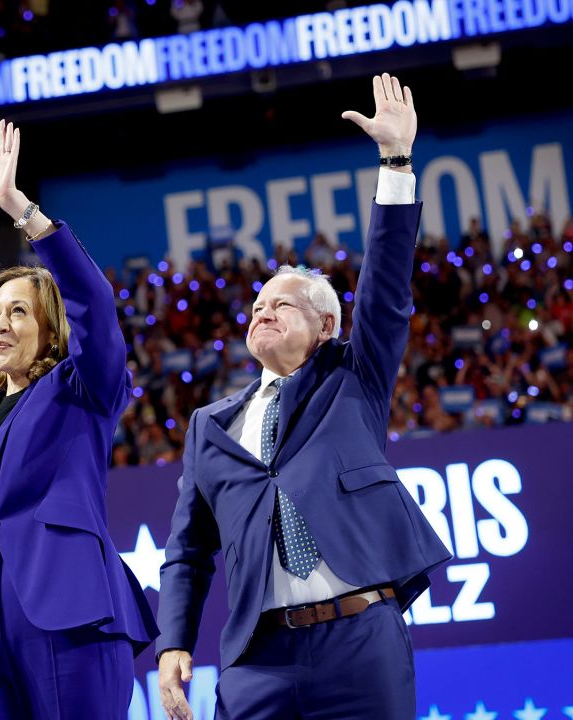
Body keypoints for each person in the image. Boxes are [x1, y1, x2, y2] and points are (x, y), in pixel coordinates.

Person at [155, 75, 452, 720]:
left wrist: (395, 163)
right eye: (257, 306)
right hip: (258, 658)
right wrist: (173, 640)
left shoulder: (354, 378)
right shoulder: (210, 426)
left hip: (359, 642)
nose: (262, 311)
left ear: (326, 327)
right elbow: (186, 548)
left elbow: (386, 287)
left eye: (282, 303)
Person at [0, 120, 158, 720]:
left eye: (18, 313)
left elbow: (96, 304)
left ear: (51, 330)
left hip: (69, 616)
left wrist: (21, 211)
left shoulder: (82, 390)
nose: (0, 325)